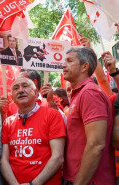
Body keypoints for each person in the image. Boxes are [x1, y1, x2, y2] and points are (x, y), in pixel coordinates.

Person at [62, 46, 116, 184]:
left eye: (69, 61)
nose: (63, 65)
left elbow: (96, 144)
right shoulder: (80, 94)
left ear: (84, 67)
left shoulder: (90, 93)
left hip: (91, 181)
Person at [0, 77, 66, 185]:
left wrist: (33, 184)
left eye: (25, 86)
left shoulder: (52, 116)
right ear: (12, 97)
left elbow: (58, 157)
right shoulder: (8, 123)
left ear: (36, 93)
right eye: (16, 88)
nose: (20, 90)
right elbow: (3, 160)